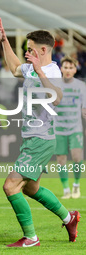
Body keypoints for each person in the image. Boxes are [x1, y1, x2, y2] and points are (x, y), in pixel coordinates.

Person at [0, 17, 80, 247]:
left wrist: (40, 71)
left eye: (30, 49)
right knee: (31, 188)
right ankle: (68, 217)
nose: (27, 53)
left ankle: (31, 237)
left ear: (43, 49)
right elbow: (13, 68)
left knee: (10, 186)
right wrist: (4, 41)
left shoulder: (50, 70)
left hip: (40, 140)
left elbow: (58, 97)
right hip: (33, 138)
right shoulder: (32, 68)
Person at [54, 56, 86, 199]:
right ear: (61, 69)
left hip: (75, 128)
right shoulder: (55, 85)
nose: (67, 70)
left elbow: (84, 108)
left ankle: (76, 185)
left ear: (75, 69)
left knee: (77, 158)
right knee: (61, 159)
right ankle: (66, 189)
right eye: (65, 67)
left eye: (70, 68)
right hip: (58, 128)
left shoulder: (80, 86)